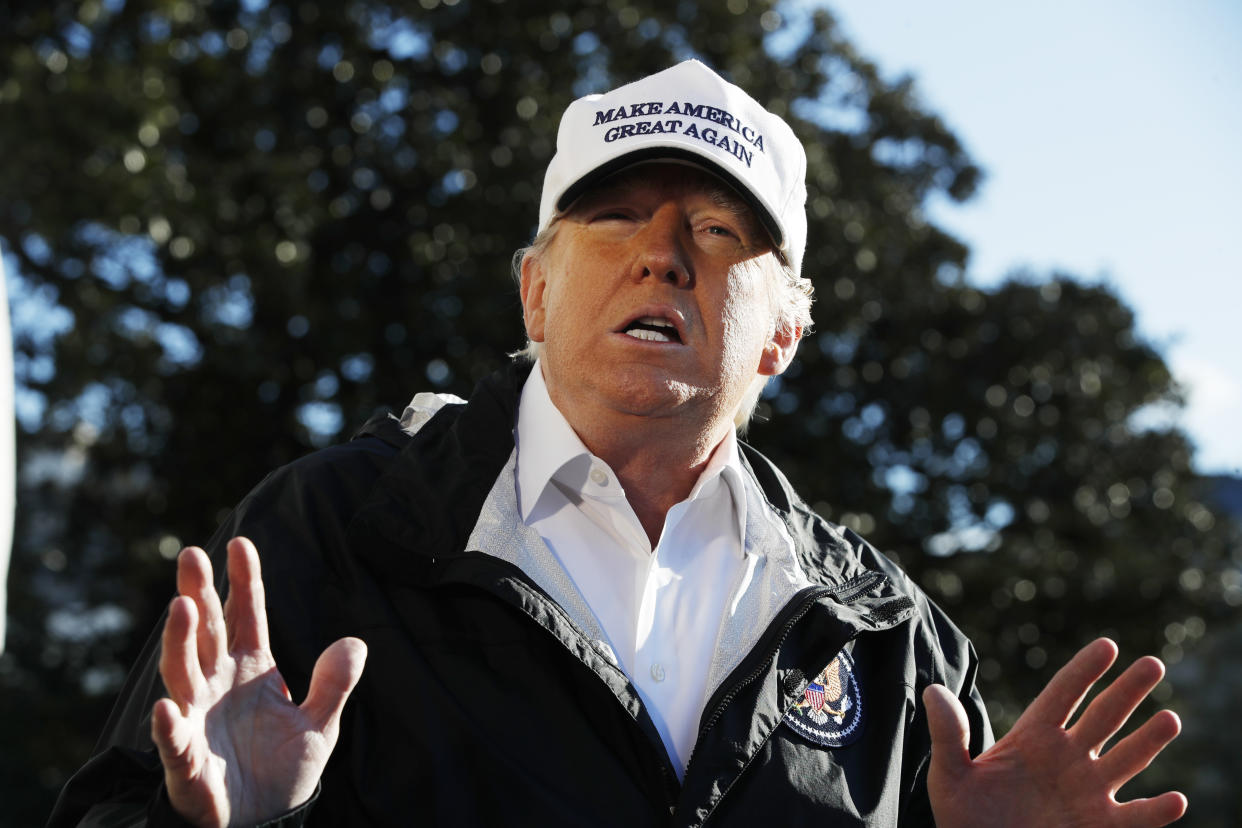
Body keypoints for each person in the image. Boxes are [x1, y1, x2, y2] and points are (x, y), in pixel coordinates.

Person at [49, 60, 1186, 827]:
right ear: (537, 294)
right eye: (613, 214)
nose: (661, 251)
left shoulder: (890, 643)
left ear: (783, 336)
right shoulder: (325, 534)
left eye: (717, 228)